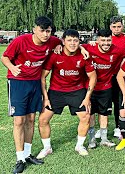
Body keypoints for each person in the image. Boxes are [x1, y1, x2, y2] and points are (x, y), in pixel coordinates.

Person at [1, 16, 61, 173]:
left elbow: (65, 42)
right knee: (19, 120)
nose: (45, 34)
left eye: (48, 31)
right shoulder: (21, 41)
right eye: (42, 30)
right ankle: (19, 158)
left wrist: (63, 47)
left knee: (31, 119)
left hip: (35, 83)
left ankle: (27, 155)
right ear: (34, 29)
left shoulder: (52, 41)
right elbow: (5, 57)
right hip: (18, 82)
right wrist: (12, 68)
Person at [37, 29, 97, 159]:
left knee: (85, 117)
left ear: (79, 42)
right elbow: (42, 77)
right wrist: (45, 98)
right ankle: (47, 148)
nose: (72, 43)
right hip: (56, 92)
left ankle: (79, 145)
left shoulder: (84, 55)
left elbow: (93, 77)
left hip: (76, 91)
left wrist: (87, 98)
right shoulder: (54, 54)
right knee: (43, 119)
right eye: (69, 40)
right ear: (63, 41)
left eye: (76, 40)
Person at [81, 29, 125, 149]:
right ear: (97, 40)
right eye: (103, 40)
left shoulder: (117, 50)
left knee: (104, 113)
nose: (106, 43)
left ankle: (104, 138)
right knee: (91, 113)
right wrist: (82, 48)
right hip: (90, 87)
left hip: (106, 87)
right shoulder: (89, 47)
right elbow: (72, 44)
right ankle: (92, 139)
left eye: (108, 40)